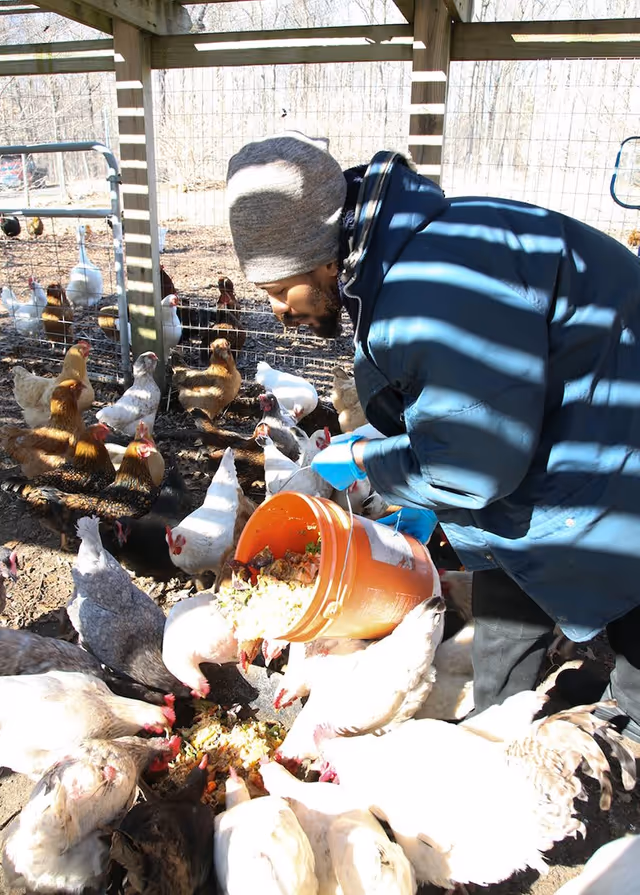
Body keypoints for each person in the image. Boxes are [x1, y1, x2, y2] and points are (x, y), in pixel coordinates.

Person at [226, 131, 640, 741]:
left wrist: (371, 461)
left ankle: (624, 752)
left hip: (614, 435)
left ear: (318, 254)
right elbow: (464, 409)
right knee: (508, 566)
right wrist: (378, 443)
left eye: (278, 290)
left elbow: (476, 466)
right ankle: (495, 720)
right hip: (568, 420)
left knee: (628, 593)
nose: (279, 313)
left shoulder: (432, 287)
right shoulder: (396, 260)